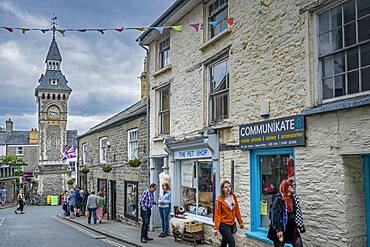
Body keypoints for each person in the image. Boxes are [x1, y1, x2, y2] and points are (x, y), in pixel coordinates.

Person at [267, 179, 305, 247]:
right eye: (291, 185)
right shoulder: (279, 199)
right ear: (286, 187)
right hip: (281, 227)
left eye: (294, 185)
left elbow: (296, 213)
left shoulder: (293, 197)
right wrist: (278, 229)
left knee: (299, 245)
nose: (293, 187)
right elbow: (275, 215)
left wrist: (299, 224)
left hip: (292, 227)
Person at [214, 180, 244, 247]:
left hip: (232, 223)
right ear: (222, 189)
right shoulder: (219, 200)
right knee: (231, 242)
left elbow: (237, 210)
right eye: (226, 187)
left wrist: (240, 222)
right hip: (223, 224)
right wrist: (216, 228)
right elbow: (217, 215)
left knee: (224, 243)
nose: (228, 188)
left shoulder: (233, 196)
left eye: (229, 186)